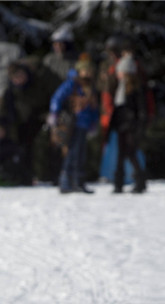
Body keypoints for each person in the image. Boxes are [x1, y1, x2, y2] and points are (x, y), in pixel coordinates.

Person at [101, 39, 147, 194]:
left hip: (131, 127)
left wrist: (138, 127)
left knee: (130, 153)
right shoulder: (119, 89)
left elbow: (141, 111)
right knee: (121, 154)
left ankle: (140, 181)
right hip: (121, 125)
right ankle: (118, 183)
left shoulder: (135, 91)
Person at [3, 58, 60, 184]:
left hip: (42, 116)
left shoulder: (39, 80)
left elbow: (51, 96)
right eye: (15, 78)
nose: (19, 80)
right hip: (22, 121)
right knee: (23, 147)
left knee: (45, 144)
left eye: (20, 76)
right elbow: (9, 109)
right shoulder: (11, 91)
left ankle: (49, 174)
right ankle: (24, 176)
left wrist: (50, 113)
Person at [49, 55, 99, 194]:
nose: (87, 73)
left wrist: (94, 123)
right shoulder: (72, 84)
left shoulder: (90, 87)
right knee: (71, 153)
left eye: (90, 70)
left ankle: (79, 182)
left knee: (81, 154)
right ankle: (66, 181)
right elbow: (57, 98)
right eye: (85, 70)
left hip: (84, 125)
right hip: (71, 124)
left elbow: (94, 108)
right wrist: (54, 113)